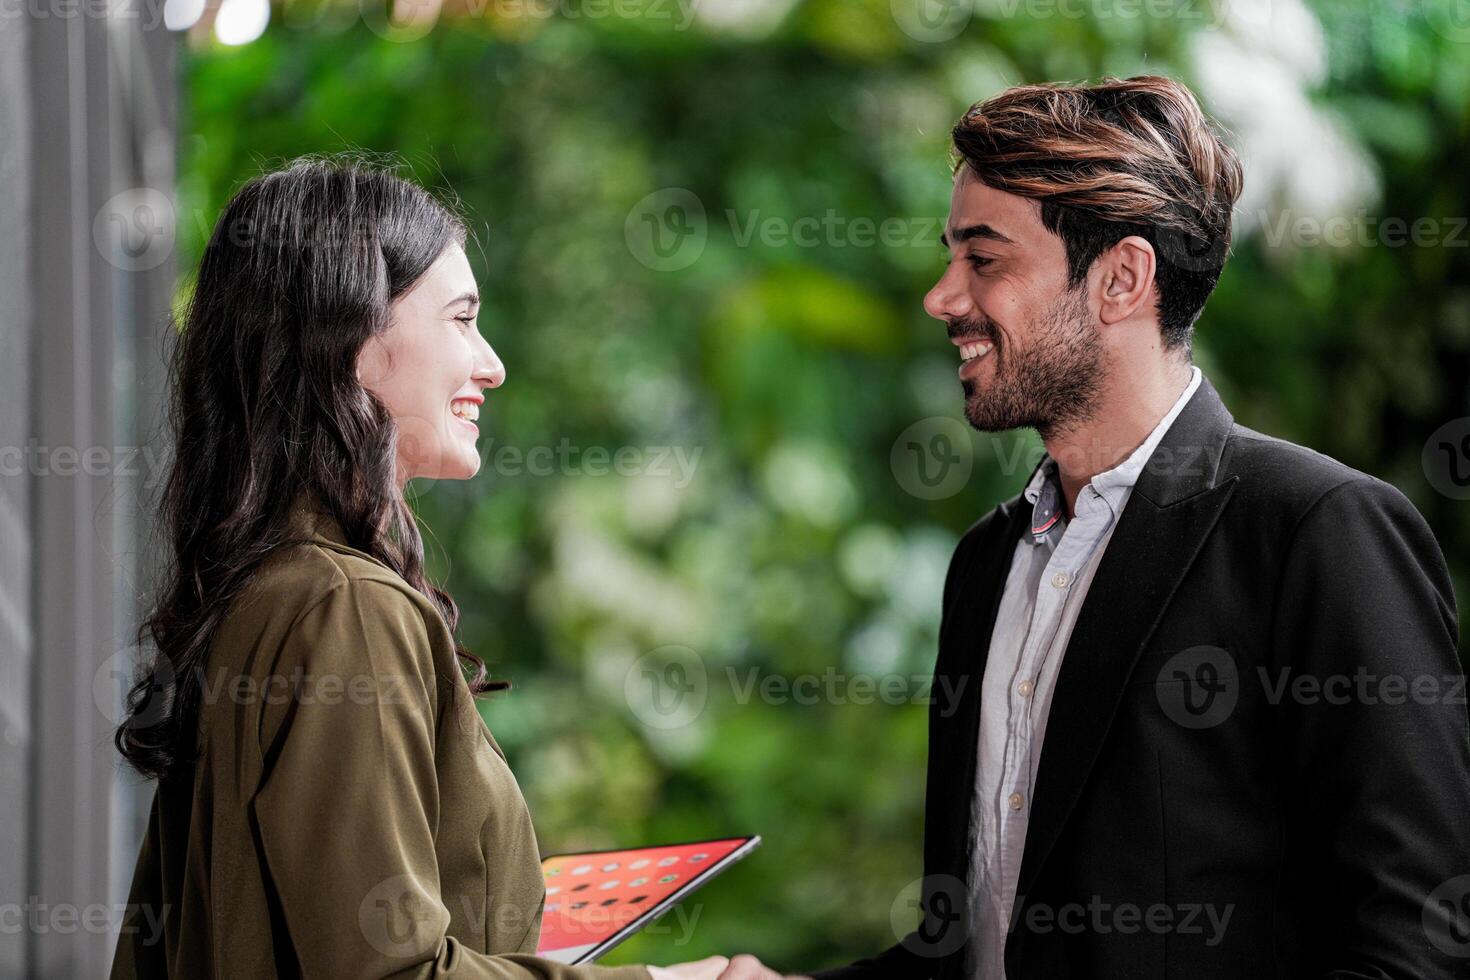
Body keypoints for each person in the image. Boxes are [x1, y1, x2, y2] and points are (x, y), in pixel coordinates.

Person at [784, 75, 1469, 978]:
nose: (941, 298)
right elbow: (975, 953)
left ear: (1121, 279)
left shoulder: (1316, 530)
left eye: (983, 259)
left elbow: (1419, 946)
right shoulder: (986, 565)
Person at [108, 157, 750, 980]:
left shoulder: (264, 592)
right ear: (351, 336)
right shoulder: (344, 608)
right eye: (462, 319)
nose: (492, 364)